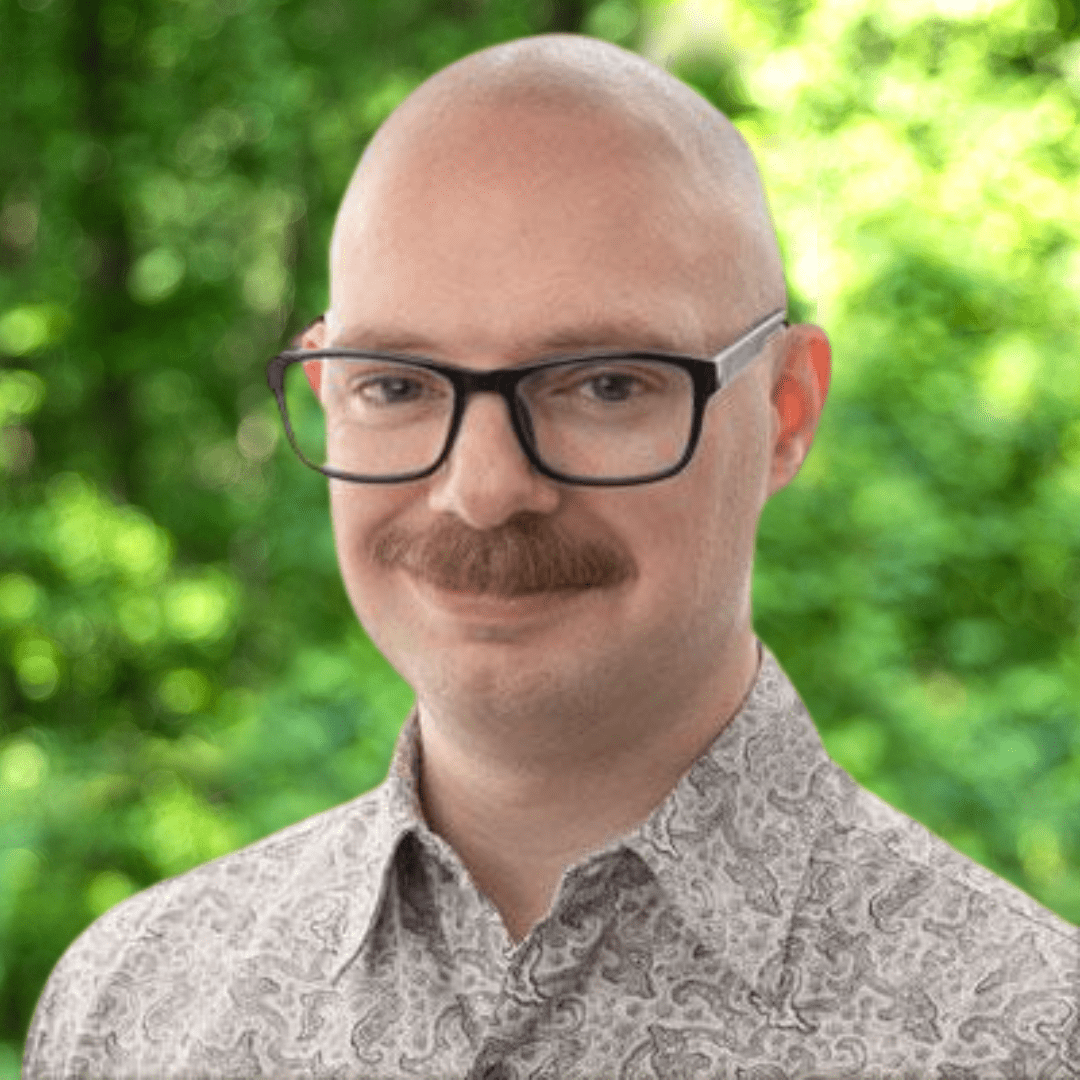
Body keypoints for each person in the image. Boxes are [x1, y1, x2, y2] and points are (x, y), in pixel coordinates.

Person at [23, 32, 1078, 1080]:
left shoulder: (1027, 1038)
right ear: (326, 401)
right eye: (397, 384)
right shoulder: (135, 1006)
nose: (483, 492)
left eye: (605, 384)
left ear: (786, 411)